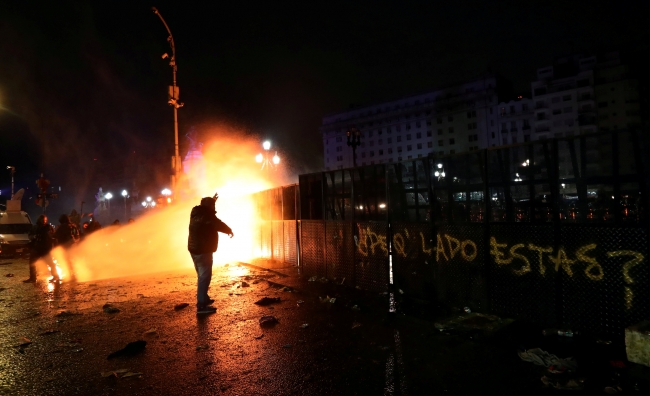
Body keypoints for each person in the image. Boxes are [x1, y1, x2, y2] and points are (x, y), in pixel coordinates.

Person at [187, 193, 234, 314]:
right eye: (213, 206)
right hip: (204, 250)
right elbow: (217, 224)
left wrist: (212, 201)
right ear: (209, 206)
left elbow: (207, 210)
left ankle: (204, 298)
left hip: (194, 250)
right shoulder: (208, 216)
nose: (215, 208)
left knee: (202, 275)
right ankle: (201, 306)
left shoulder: (196, 212)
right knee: (204, 277)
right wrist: (229, 230)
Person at [24, 215, 55, 283]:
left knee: (50, 263)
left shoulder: (48, 227)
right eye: (43, 220)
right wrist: (34, 237)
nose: (44, 221)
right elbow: (30, 236)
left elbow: (52, 236)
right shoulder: (35, 227)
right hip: (37, 248)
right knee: (32, 263)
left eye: (45, 220)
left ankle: (56, 277)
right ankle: (33, 278)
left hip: (45, 248)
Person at [53, 214, 80, 281]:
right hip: (73, 245)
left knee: (67, 261)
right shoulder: (73, 226)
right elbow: (77, 235)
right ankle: (74, 275)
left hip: (66, 246)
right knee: (72, 260)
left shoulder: (63, 226)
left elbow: (56, 235)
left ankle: (71, 276)